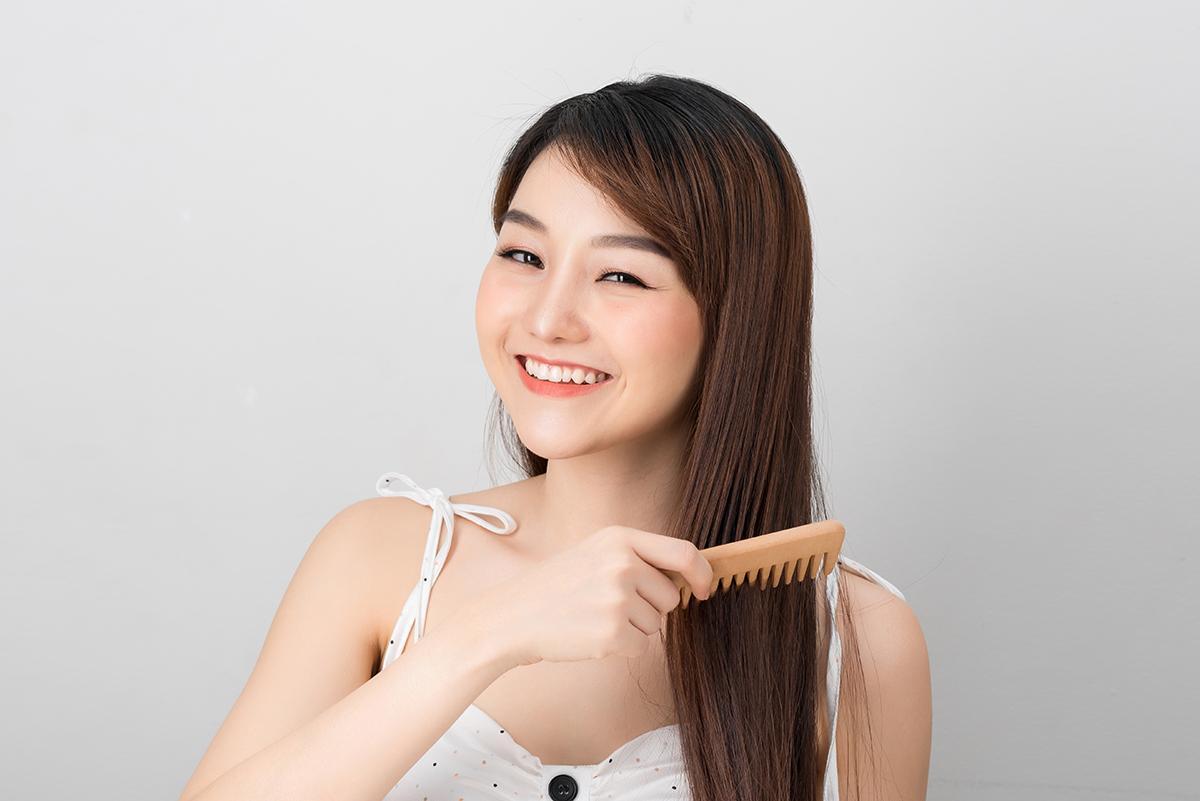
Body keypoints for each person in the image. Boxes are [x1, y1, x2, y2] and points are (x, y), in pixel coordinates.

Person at [178, 75, 932, 801]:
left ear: (738, 319)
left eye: (621, 276)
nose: (546, 318)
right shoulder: (378, 559)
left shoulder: (856, 637)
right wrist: (490, 634)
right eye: (523, 256)